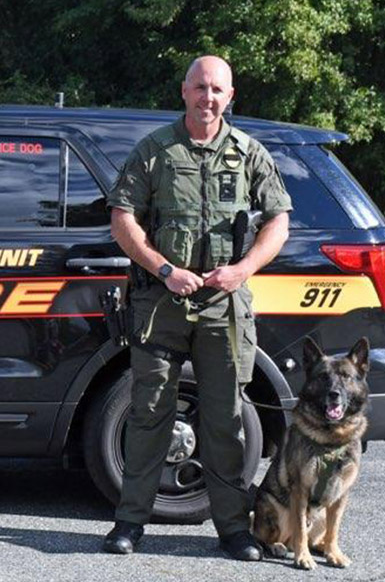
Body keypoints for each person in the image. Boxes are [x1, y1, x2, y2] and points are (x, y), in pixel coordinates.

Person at [103, 55, 291, 561]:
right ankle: (129, 523)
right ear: (184, 91)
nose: (208, 97)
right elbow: (123, 219)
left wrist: (244, 269)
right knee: (148, 415)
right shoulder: (155, 151)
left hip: (225, 307)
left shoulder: (249, 153)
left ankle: (233, 529)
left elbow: (278, 220)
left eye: (217, 90)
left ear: (231, 96)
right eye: (200, 87)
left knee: (225, 418)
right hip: (161, 302)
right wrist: (164, 269)